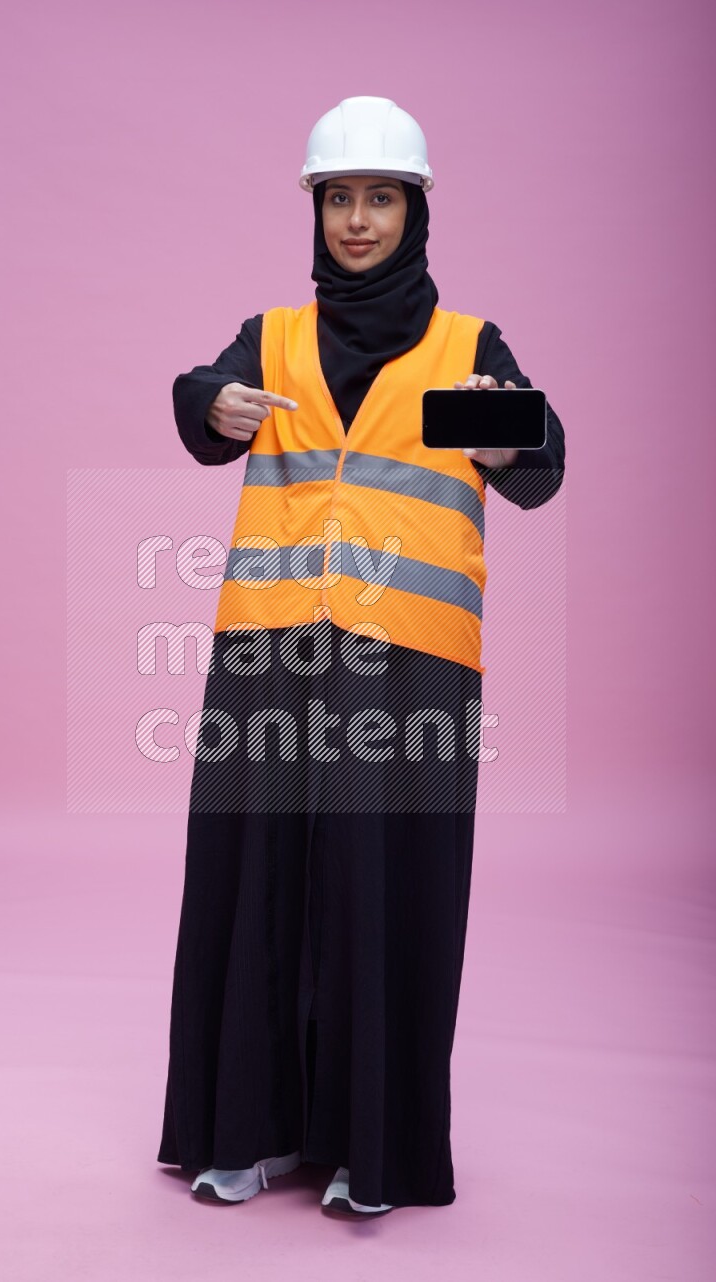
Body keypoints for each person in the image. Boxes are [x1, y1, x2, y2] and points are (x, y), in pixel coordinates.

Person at [157, 96, 565, 1217]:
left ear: (414, 210)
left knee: (385, 892)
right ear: (317, 208)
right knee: (253, 882)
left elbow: (540, 461)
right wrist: (212, 401)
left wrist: (507, 434)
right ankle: (242, 1132)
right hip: (269, 652)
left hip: (412, 661)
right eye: (339, 197)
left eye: (379, 197)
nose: (356, 219)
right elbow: (199, 406)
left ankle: (367, 1150)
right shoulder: (273, 335)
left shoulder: (465, 348)